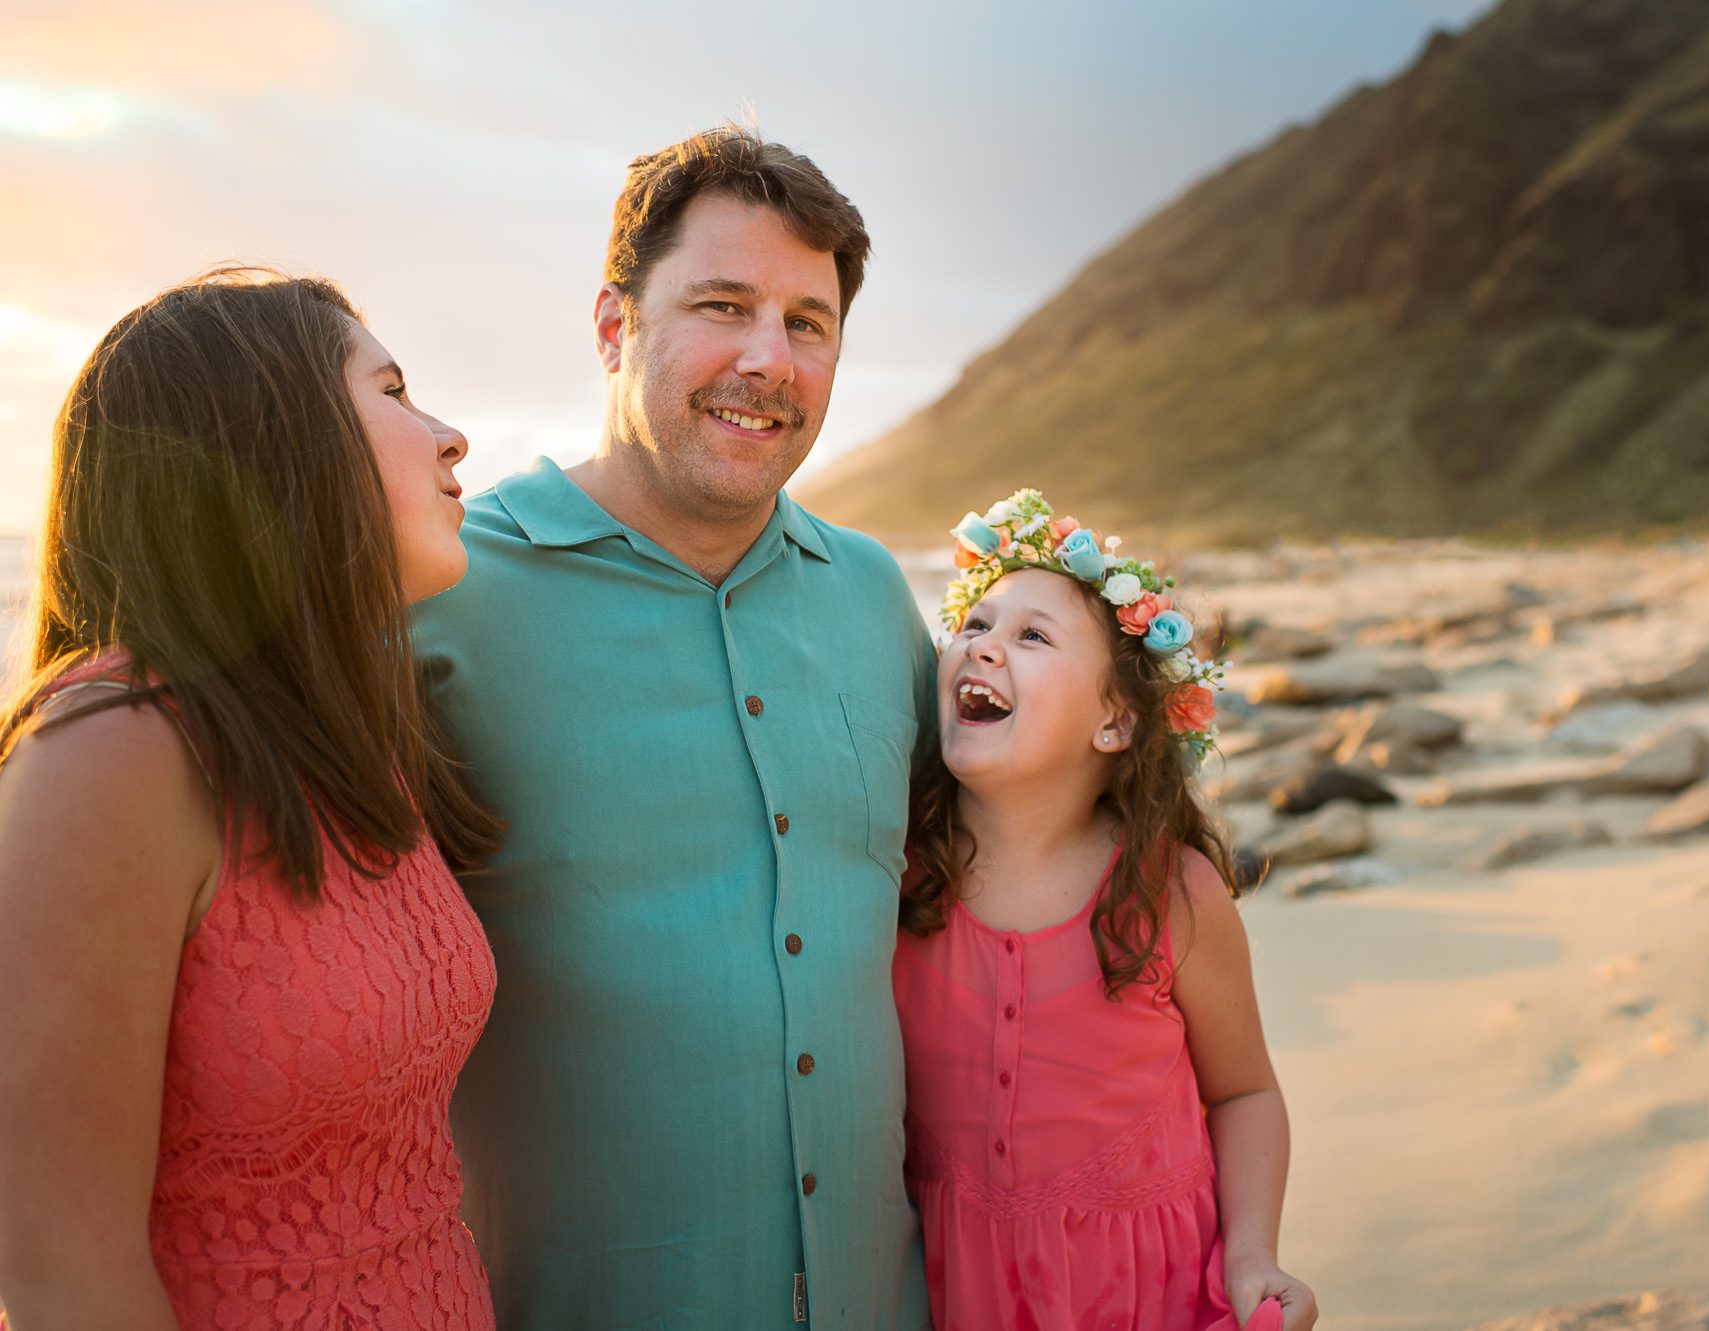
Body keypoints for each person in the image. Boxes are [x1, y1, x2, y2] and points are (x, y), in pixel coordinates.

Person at [407, 126, 931, 1327]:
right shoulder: (439, 597)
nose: (768, 358)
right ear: (611, 326)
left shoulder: (869, 592)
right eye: (722, 305)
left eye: (807, 323)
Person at [0, 268, 502, 1329]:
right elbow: (59, 1275)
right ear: (267, 444)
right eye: (395, 391)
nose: (451, 435)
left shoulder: (347, 735)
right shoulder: (114, 750)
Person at [895, 489, 1318, 1331]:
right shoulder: (900, 876)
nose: (983, 648)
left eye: (1032, 636)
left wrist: (1252, 1254)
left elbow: (1244, 1092)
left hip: (1140, 1293)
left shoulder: (1171, 892)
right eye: (974, 624)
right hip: (948, 1290)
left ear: (1116, 721)